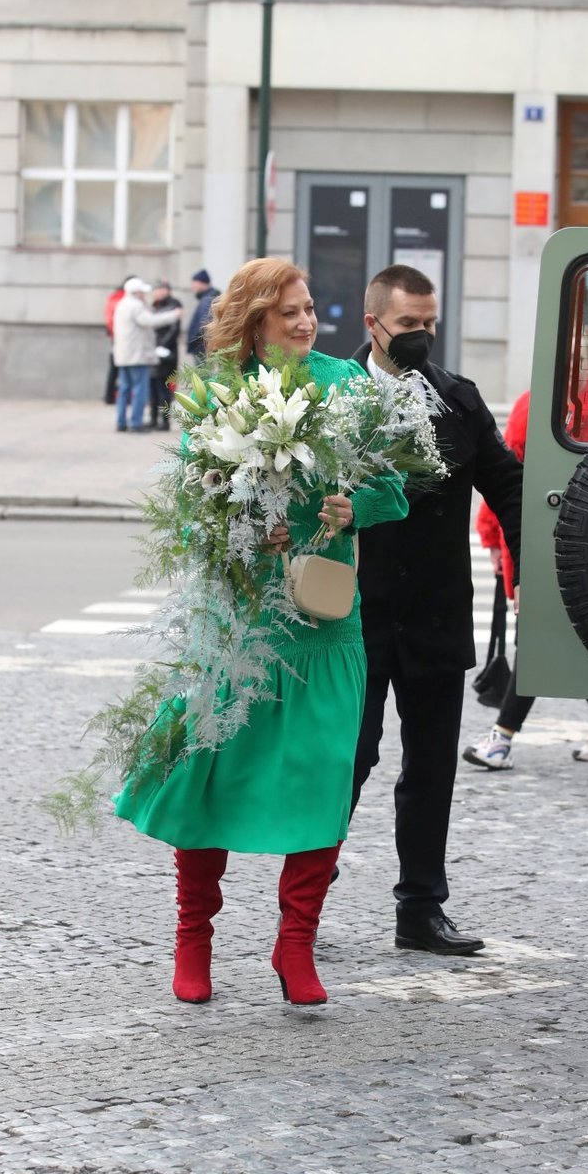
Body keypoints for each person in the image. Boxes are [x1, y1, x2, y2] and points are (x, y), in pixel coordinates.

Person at [115, 258, 409, 1006]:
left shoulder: (346, 386)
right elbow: (189, 509)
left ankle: (295, 946)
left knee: (322, 780)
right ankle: (194, 939)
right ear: (253, 322)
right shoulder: (215, 395)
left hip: (323, 622)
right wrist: (248, 523)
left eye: (309, 308)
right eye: (290, 312)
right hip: (239, 621)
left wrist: (353, 508)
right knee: (206, 777)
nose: (306, 321)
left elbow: (396, 490)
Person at [348, 264, 523, 956]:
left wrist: (531, 567)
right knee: (348, 762)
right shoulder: (330, 398)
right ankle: (304, 902)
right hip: (352, 623)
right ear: (374, 325)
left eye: (430, 324)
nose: (421, 337)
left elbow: (506, 484)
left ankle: (420, 909)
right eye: (408, 326)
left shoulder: (458, 399)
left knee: (430, 771)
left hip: (436, 617)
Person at [464, 334, 588, 770]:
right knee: (554, 637)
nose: (571, 370)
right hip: (530, 538)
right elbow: (502, 478)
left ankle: (501, 737)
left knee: (543, 639)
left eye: (579, 361)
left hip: (582, 547)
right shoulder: (526, 408)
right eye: (563, 361)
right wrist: (492, 541)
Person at [113, 277, 183, 433]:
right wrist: (173, 315)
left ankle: (121, 422)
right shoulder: (136, 305)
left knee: (124, 389)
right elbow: (150, 321)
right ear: (136, 293)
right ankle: (135, 423)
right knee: (140, 389)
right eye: (142, 292)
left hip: (123, 356)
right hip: (137, 355)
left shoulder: (121, 304)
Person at [148, 279, 181, 430]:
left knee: (165, 388)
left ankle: (165, 421)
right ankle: (153, 418)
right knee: (152, 387)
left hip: (167, 353)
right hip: (152, 352)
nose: (159, 292)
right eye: (156, 289)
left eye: (162, 289)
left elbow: (174, 330)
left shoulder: (174, 305)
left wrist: (162, 346)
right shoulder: (153, 306)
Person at [103, 276, 130, 406]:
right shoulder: (122, 299)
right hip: (121, 339)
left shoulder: (114, 297)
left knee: (114, 369)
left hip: (116, 338)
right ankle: (111, 396)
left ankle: (110, 396)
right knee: (118, 369)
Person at [186, 268, 220, 359]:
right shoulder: (208, 298)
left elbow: (204, 324)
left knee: (202, 372)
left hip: (201, 348)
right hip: (203, 347)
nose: (192, 286)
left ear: (201, 283)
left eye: (194, 282)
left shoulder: (207, 299)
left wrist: (194, 341)